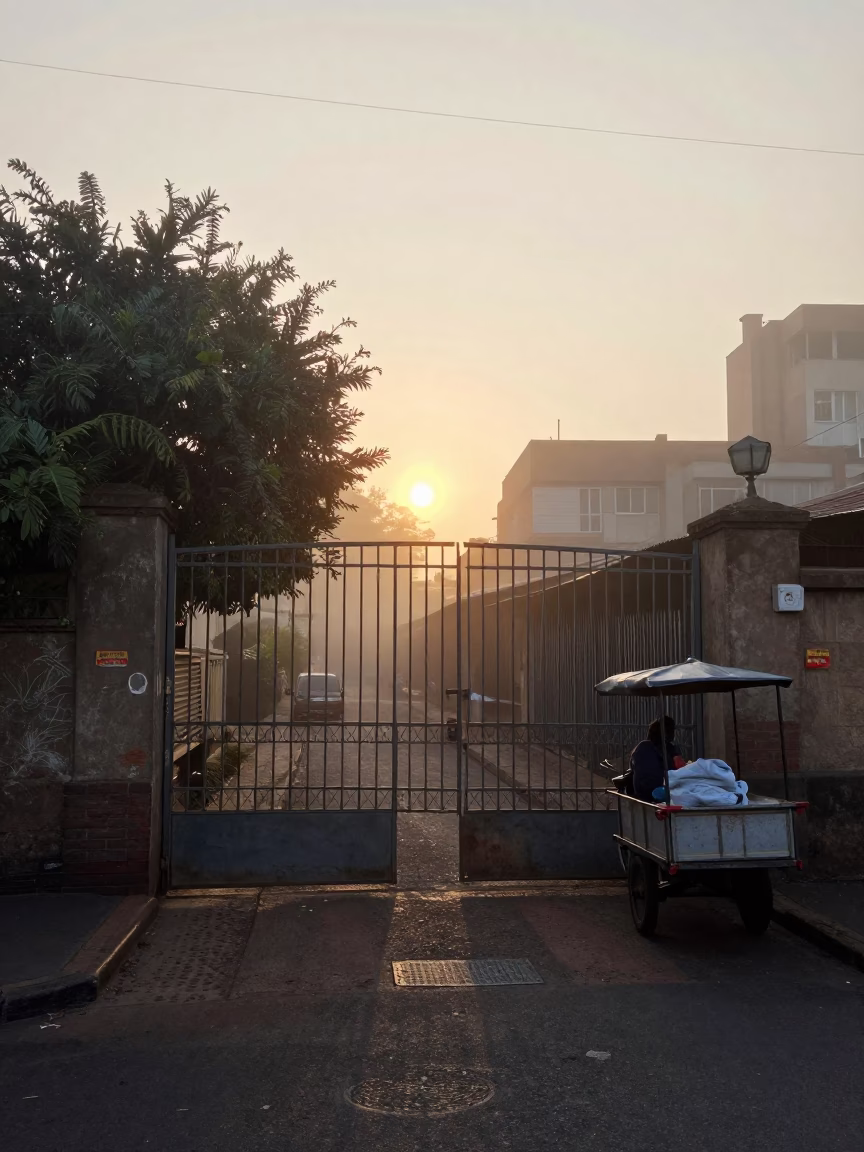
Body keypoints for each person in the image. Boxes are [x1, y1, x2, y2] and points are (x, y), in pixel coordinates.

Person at [630, 716, 680, 802]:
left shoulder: (641, 747)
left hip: (642, 794)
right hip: (661, 793)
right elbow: (680, 767)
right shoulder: (668, 748)